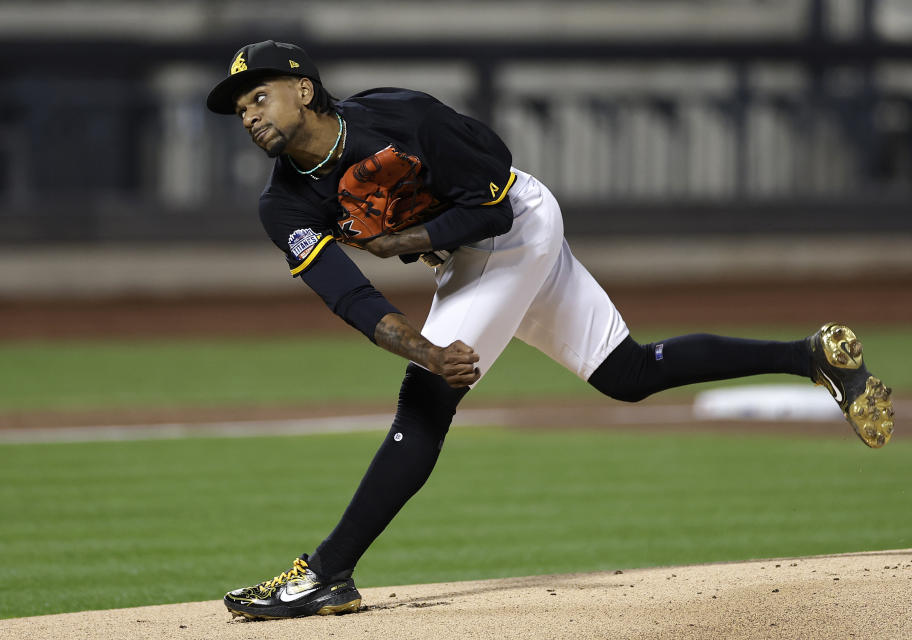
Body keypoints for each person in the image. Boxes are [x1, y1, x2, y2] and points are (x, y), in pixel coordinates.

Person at [206, 41, 895, 620]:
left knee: (424, 403)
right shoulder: (283, 202)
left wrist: (409, 244)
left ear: (302, 88)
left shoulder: (403, 116)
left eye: (257, 97)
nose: (247, 116)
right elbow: (347, 296)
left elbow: (494, 209)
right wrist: (424, 346)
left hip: (515, 224)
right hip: (464, 254)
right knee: (628, 375)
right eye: (239, 110)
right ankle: (811, 357)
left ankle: (329, 572)